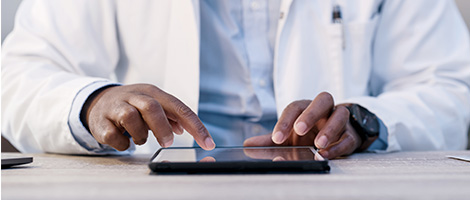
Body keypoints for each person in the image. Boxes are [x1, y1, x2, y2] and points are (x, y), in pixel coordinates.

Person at [2, 0, 470, 159]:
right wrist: (93, 101)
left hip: (339, 186)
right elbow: (17, 76)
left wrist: (366, 122)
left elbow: (452, 85)